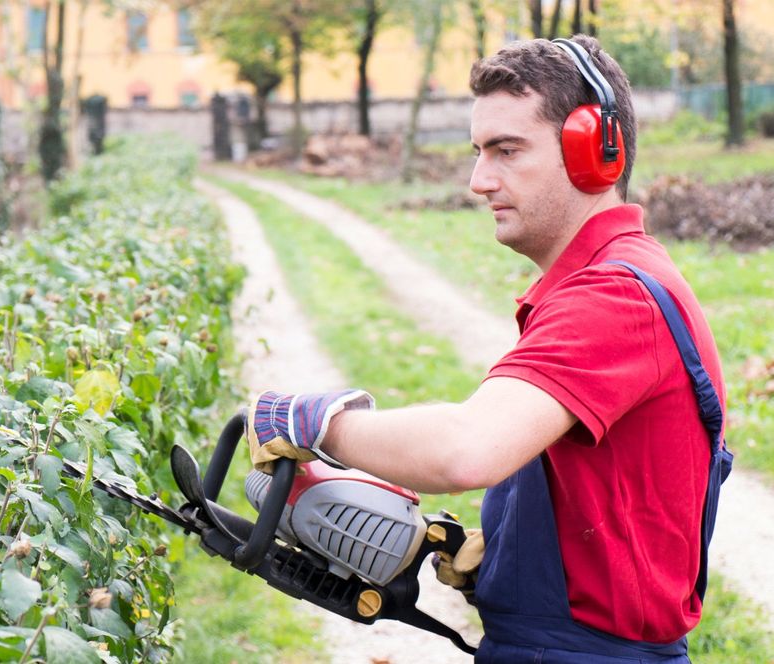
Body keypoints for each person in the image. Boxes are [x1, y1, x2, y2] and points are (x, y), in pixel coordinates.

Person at [246, 35, 733, 663]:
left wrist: (322, 423)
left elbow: (467, 450)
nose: (479, 181)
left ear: (596, 153)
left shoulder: (614, 299)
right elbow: (614, 494)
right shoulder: (610, 281)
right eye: (478, 152)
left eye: (506, 150)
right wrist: (504, 556)